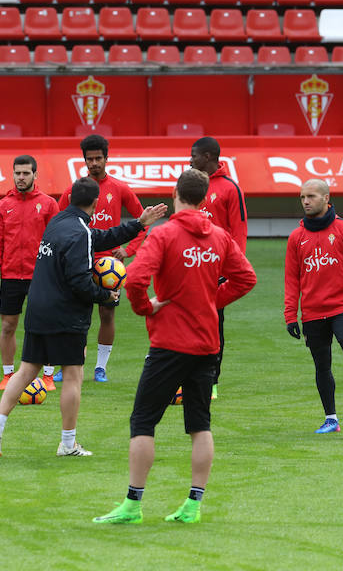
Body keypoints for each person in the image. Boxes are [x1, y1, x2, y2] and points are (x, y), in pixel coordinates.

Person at [92, 169, 255, 524]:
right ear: (204, 197)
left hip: (169, 344)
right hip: (208, 344)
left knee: (143, 422)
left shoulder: (165, 234)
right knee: (200, 424)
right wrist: (213, 300)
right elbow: (246, 278)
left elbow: (135, 278)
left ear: (176, 194)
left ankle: (133, 505)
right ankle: (193, 505)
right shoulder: (220, 236)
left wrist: (145, 307)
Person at [0, 177, 167, 458]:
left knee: (26, 371)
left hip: (37, 307)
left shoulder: (58, 223)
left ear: (69, 200)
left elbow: (100, 238)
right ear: (96, 203)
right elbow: (80, 281)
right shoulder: (80, 232)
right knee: (73, 375)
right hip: (64, 315)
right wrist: (106, 296)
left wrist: (138, 224)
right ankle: (68, 444)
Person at [284, 179, 343, 433]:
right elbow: (292, 279)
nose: (305, 201)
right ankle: (331, 419)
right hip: (313, 312)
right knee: (321, 364)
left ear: (326, 199)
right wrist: (290, 315)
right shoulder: (296, 237)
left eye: (311, 196)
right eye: (302, 197)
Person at [57, 134, 146, 383]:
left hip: (109, 266)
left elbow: (143, 221)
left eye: (98, 158)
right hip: (79, 262)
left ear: (107, 158)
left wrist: (128, 250)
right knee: (75, 314)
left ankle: (101, 367)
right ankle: (71, 364)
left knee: (107, 314)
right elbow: (57, 221)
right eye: (89, 159)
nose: (94, 163)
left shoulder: (119, 188)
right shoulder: (76, 190)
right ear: (84, 160)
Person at [0, 155, 60, 392]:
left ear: (35, 175)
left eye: (26, 173)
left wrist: (56, 273)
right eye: (17, 173)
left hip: (40, 276)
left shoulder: (49, 204)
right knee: (8, 326)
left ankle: (48, 376)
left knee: (45, 325)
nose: (21, 177)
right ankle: (8, 375)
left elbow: (58, 241)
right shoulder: (3, 205)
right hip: (10, 275)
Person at [189, 136, 248, 399]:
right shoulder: (191, 186)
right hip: (189, 268)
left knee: (213, 325)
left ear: (209, 157)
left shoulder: (229, 189)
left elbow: (239, 231)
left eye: (194, 155)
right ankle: (186, 377)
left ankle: (211, 381)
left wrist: (231, 271)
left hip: (217, 271)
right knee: (184, 323)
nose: (190, 160)